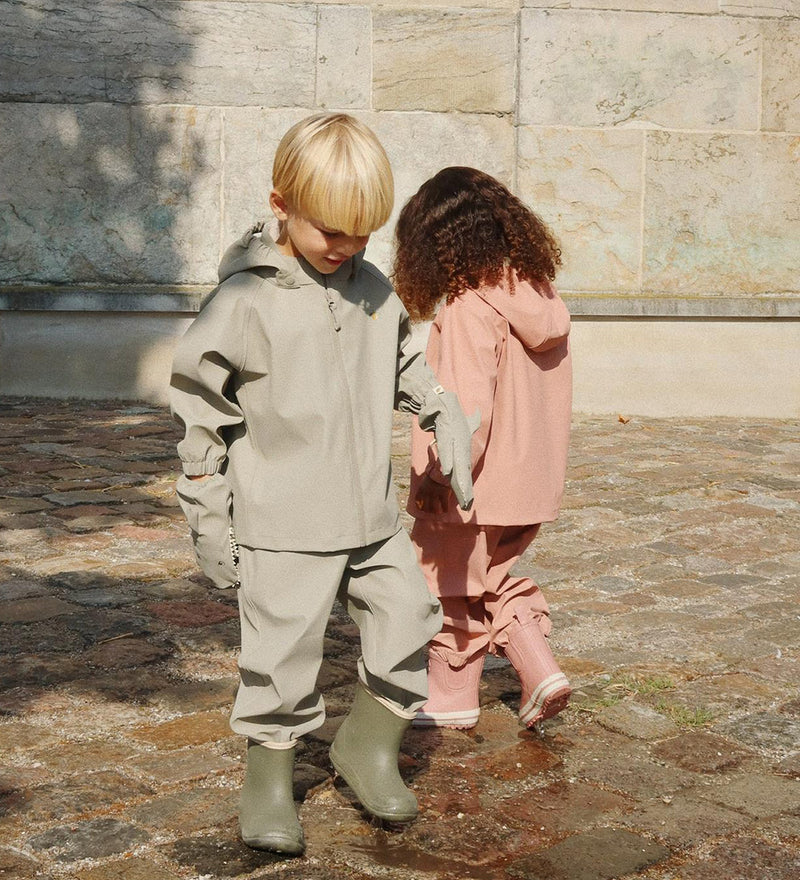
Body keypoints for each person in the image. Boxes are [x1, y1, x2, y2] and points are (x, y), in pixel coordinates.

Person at [170, 115, 476, 856]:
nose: (345, 247)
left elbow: (404, 359)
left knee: (409, 618)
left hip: (370, 512)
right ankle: (269, 784)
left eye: (362, 234)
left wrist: (441, 410)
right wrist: (207, 511)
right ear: (281, 204)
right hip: (282, 519)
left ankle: (366, 747)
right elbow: (200, 409)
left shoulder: (373, 290)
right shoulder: (243, 303)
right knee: (280, 657)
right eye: (330, 231)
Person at [392, 166, 573, 732]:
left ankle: (451, 695)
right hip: (528, 485)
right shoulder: (537, 293)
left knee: (446, 583)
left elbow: (464, 410)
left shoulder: (469, 306)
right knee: (490, 577)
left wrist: (438, 478)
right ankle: (539, 668)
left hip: (469, 484)